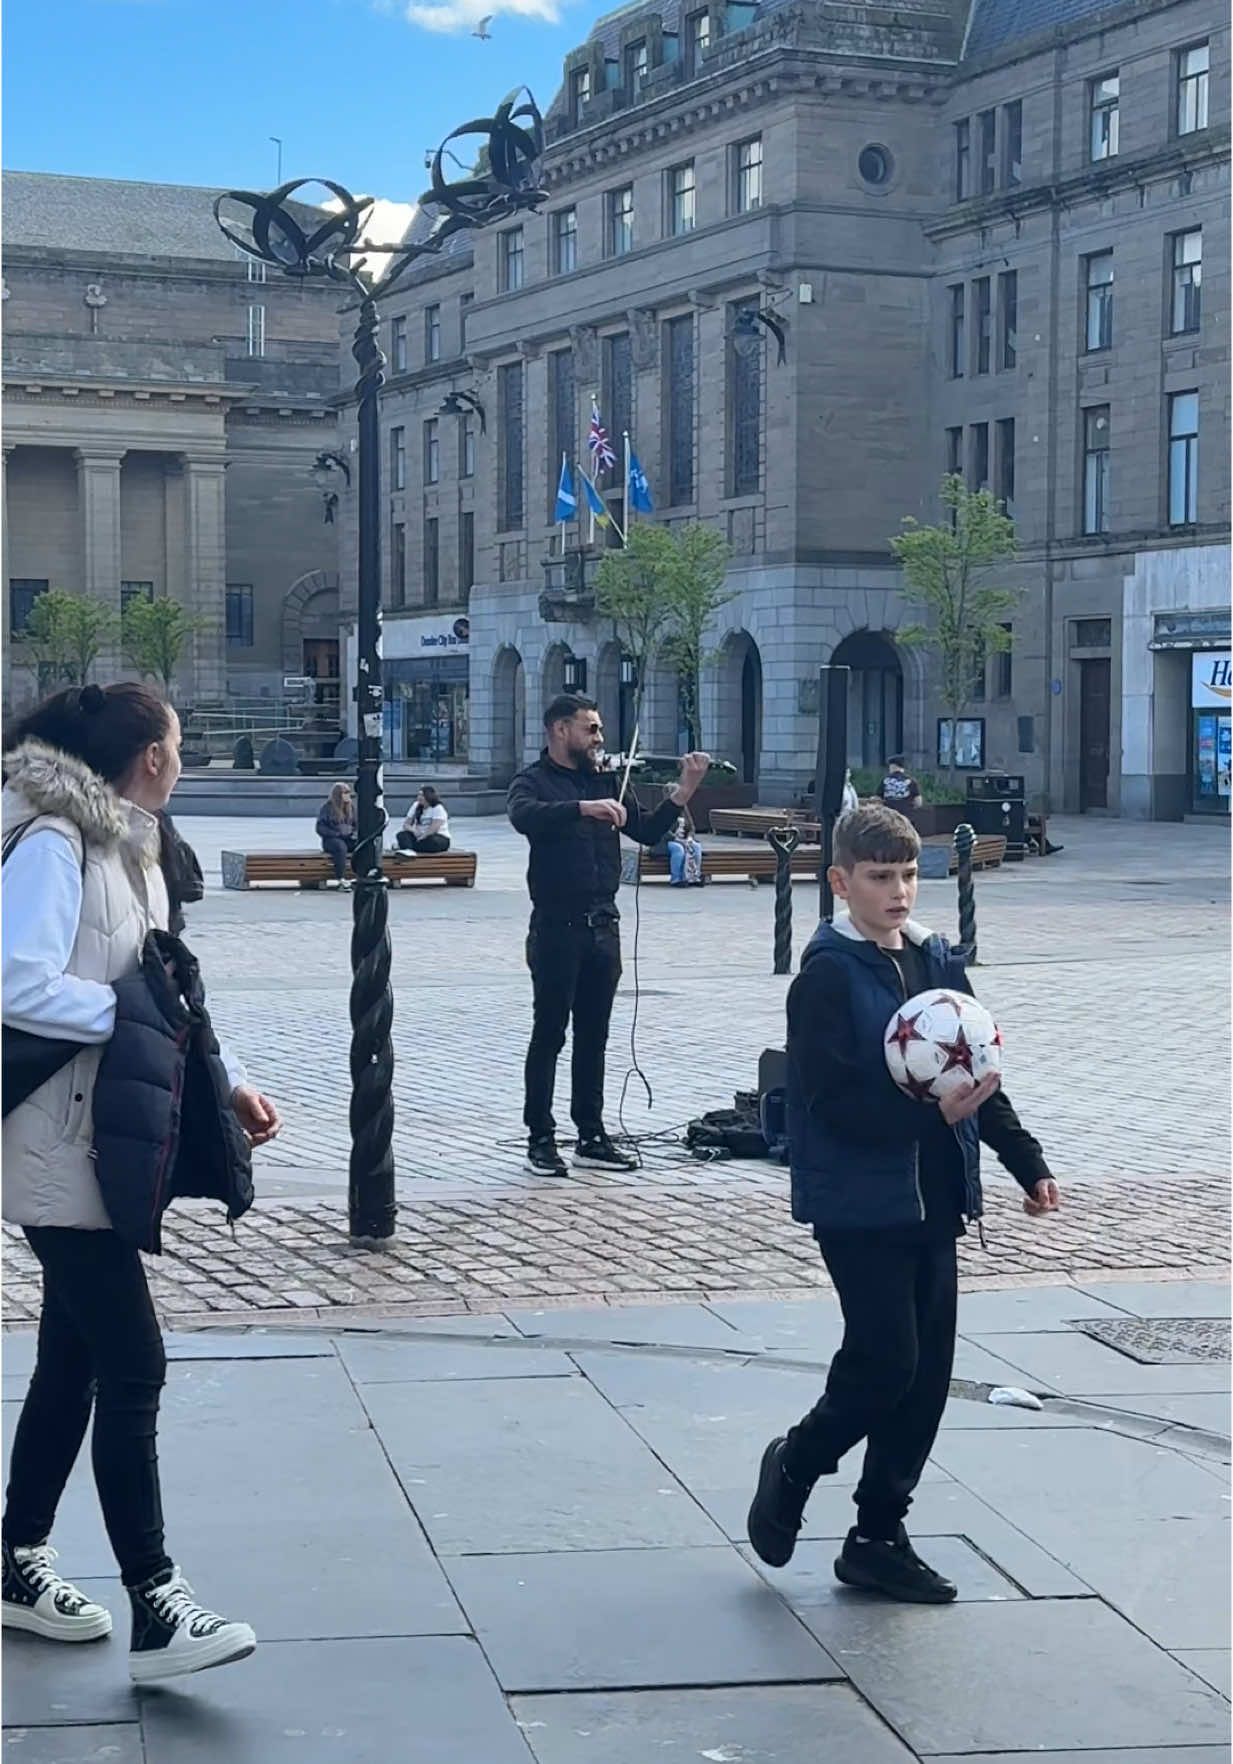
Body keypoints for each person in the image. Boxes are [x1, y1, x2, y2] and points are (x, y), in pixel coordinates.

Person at [1, 682, 283, 1682]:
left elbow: (159, 984)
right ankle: (158, 1604)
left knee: (75, 1360)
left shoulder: (131, 846)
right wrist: (128, 1024)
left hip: (98, 1142)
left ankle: (16, 1560)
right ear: (149, 758)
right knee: (134, 1363)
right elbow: (17, 981)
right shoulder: (53, 843)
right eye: (177, 739)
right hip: (53, 1148)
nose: (184, 752)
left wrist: (231, 1077)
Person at [746, 802, 1059, 1601]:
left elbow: (975, 1071)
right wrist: (922, 1114)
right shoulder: (824, 976)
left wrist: (1024, 1161)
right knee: (884, 1360)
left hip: (936, 1195)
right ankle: (797, 1461)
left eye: (910, 875)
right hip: (857, 1200)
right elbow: (826, 1102)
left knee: (925, 1375)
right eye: (881, 878)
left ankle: (877, 1534)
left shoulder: (936, 963)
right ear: (840, 882)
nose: (899, 893)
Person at [507, 693, 711, 1178]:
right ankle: (540, 1136)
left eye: (599, 730)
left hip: (605, 925)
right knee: (549, 1034)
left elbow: (644, 831)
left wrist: (683, 791)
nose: (599, 738)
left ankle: (591, 1134)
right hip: (557, 926)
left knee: (594, 1037)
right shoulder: (533, 781)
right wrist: (583, 808)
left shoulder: (606, 780)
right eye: (591, 729)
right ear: (560, 730)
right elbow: (524, 816)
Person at [315, 782, 356, 890]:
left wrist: (353, 833)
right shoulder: (327, 808)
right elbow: (320, 828)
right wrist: (337, 833)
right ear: (338, 795)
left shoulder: (351, 808)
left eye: (349, 792)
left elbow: (357, 825)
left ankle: (360, 874)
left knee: (362, 845)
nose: (348, 795)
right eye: (345, 793)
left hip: (348, 837)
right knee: (340, 847)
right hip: (331, 840)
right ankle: (340, 878)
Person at [395, 785, 450, 856]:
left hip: (436, 837)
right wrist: (414, 831)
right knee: (401, 835)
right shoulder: (416, 805)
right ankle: (409, 850)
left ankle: (409, 847)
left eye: (422, 795)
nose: (419, 797)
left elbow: (433, 829)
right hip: (419, 836)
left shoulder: (438, 808)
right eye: (419, 795)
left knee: (433, 841)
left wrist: (422, 837)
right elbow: (406, 825)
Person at [663, 807, 703, 887]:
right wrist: (677, 840)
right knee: (678, 848)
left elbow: (691, 828)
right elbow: (664, 830)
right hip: (668, 841)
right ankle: (676, 879)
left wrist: (689, 838)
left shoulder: (685, 810)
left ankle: (694, 877)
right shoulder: (665, 809)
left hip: (684, 839)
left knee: (697, 846)